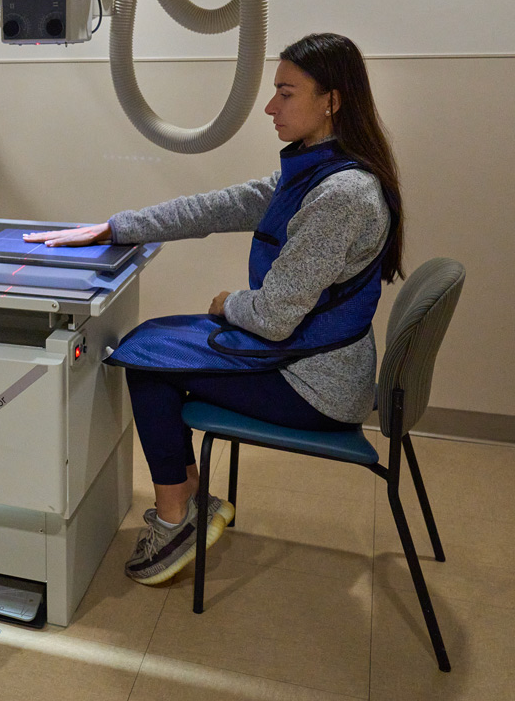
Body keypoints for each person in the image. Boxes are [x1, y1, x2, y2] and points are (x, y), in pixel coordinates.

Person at [24, 32, 404, 586]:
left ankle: (177, 518)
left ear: (333, 100)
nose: (271, 107)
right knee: (153, 343)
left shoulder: (341, 194)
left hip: (316, 385)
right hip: (305, 360)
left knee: (147, 363)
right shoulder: (318, 173)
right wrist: (117, 227)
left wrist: (229, 305)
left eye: (286, 93)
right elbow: (221, 206)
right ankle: (194, 501)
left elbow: (273, 316)